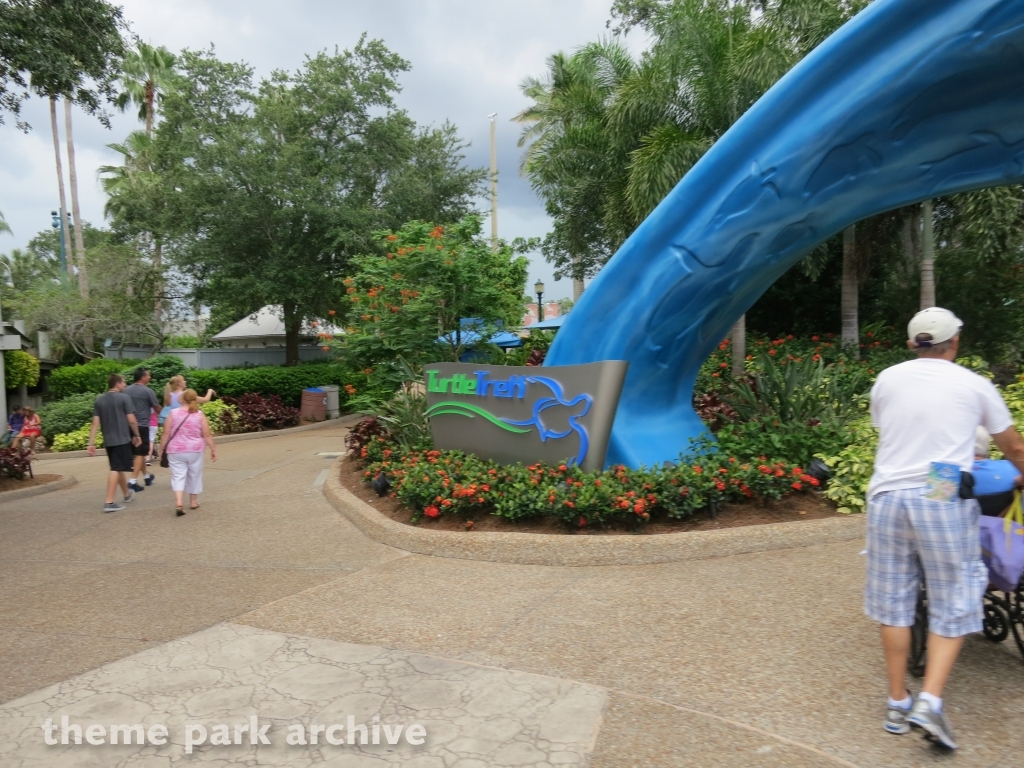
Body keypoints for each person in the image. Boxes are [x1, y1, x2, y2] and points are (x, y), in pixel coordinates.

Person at [866, 307, 1024, 749]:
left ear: (912, 342)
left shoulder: (888, 378)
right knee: (955, 591)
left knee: (893, 597)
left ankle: (897, 701)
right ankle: (930, 703)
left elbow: (890, 428)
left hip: (888, 492)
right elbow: (1011, 445)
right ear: (955, 343)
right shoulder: (974, 384)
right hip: (940, 484)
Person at [87, 374, 143, 513]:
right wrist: (136, 434)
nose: (125, 385)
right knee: (116, 468)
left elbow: (95, 423)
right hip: (122, 439)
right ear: (117, 384)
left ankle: (127, 494)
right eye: (123, 382)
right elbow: (132, 420)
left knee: (117, 467)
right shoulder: (124, 398)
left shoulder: (99, 400)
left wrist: (91, 443)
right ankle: (109, 502)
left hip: (109, 441)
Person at [163, 388, 216, 517]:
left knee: (178, 476)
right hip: (195, 450)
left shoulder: (173, 413)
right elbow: (207, 434)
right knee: (195, 475)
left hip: (175, 450)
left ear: (181, 399)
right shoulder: (199, 414)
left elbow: (165, 433)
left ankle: (179, 502)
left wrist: (161, 449)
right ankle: (193, 502)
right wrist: (213, 449)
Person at [124, 367, 161, 494]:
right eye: (148, 375)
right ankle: (132, 481)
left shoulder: (126, 390)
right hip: (142, 425)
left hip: (128, 424)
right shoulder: (148, 391)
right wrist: (165, 417)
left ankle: (147, 477)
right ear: (143, 377)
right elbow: (156, 407)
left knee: (140, 452)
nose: (150, 377)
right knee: (141, 453)